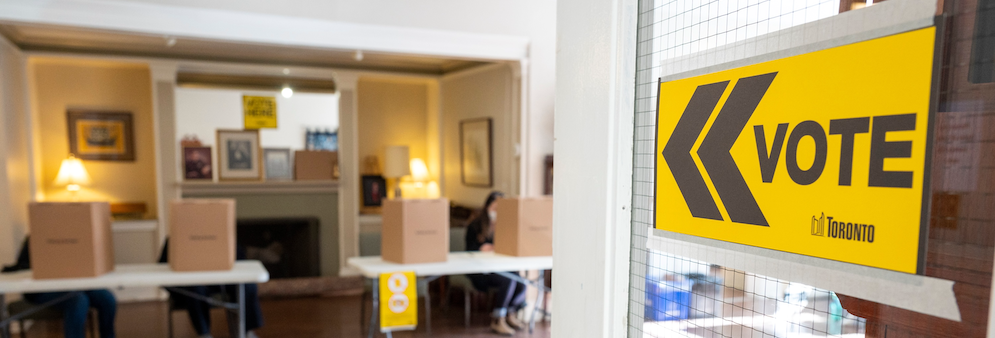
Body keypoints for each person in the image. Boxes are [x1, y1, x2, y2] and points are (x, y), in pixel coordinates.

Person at [1, 237, 117, 338]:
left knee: (107, 298)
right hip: (43, 290)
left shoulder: (78, 238)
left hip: (74, 285)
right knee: (79, 300)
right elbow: (22, 266)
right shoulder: (36, 238)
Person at [158, 239, 264, 338]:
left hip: (221, 279)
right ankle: (204, 334)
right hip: (193, 283)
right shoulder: (179, 235)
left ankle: (246, 331)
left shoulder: (221, 231)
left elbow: (241, 259)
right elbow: (162, 267)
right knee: (195, 287)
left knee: (248, 285)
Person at [465, 191, 528, 336]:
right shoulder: (475, 226)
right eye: (494, 208)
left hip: (499, 267)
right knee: (508, 280)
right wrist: (481, 248)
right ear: (487, 207)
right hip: (479, 271)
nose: (497, 212)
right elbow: (468, 249)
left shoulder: (505, 226)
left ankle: (510, 313)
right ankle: (498, 319)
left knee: (519, 280)